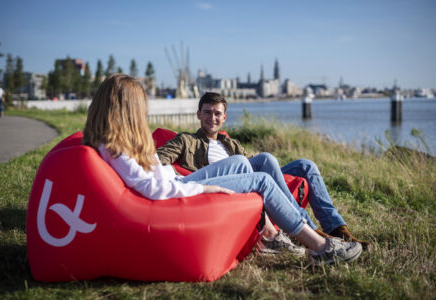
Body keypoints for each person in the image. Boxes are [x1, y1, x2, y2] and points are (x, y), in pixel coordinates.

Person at [82, 74, 362, 266]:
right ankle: (319, 244)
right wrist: (206, 186)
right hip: (183, 183)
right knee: (259, 176)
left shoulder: (117, 142)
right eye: (207, 112)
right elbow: (155, 181)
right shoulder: (174, 141)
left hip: (184, 180)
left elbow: (151, 174)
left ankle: (323, 230)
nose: (143, 113)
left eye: (218, 113)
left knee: (272, 164)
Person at [156, 92, 370, 253]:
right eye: (207, 112)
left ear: (224, 118)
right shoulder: (186, 140)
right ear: (198, 114)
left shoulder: (230, 143)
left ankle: (338, 229)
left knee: (306, 165)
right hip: (221, 180)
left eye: (217, 113)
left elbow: (251, 164)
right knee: (263, 158)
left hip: (249, 172)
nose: (212, 117)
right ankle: (310, 229)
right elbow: (158, 159)